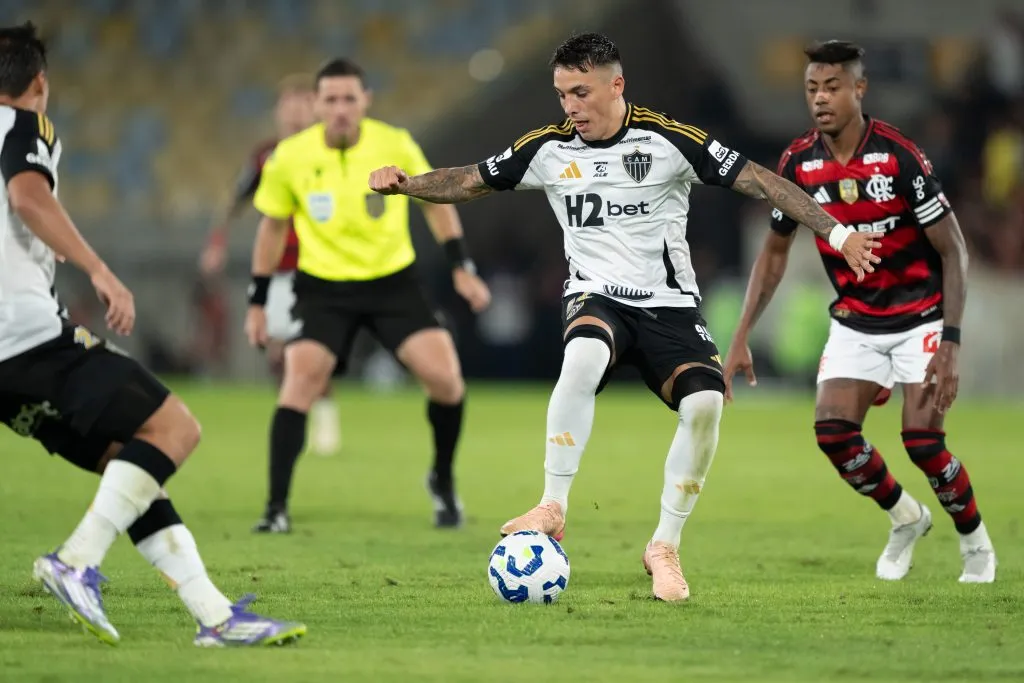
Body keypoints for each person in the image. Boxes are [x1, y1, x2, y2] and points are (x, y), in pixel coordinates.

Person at [369, 32, 881, 601]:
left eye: (581, 93)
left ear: (616, 84)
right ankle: (553, 505)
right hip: (597, 296)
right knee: (582, 355)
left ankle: (664, 545)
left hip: (670, 306)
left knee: (706, 405)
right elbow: (468, 179)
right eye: (562, 94)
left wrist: (837, 232)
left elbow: (761, 181)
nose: (570, 108)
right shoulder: (547, 148)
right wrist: (407, 185)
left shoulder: (668, 141)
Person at [0, 22, 305, 646]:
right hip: (25, 335)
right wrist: (99, 269)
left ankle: (215, 616)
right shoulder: (26, 125)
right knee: (174, 429)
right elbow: (28, 195)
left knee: (128, 462)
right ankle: (75, 560)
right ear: (40, 83)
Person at [722, 40, 996, 583]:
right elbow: (774, 252)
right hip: (855, 321)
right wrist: (741, 334)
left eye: (832, 87)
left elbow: (953, 250)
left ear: (859, 89)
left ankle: (976, 542)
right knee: (833, 434)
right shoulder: (799, 163)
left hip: (920, 316)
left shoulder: (899, 156)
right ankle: (905, 517)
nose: (820, 99)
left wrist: (952, 340)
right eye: (811, 89)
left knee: (921, 442)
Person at [247, 58, 491, 533]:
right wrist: (257, 301)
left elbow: (436, 202)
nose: (340, 108)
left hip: (391, 284)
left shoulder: (394, 143)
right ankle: (275, 508)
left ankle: (441, 480)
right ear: (316, 104)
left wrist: (462, 267)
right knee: (300, 382)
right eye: (331, 99)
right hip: (322, 289)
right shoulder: (289, 157)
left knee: (447, 380)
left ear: (365, 101)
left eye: (349, 99)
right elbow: (271, 229)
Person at [199, 75, 342, 456]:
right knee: (276, 347)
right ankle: (295, 410)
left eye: (302, 102)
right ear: (279, 110)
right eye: (288, 103)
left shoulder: (330, 150)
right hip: (277, 266)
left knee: (312, 345)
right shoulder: (266, 155)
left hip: (319, 265)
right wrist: (216, 244)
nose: (295, 111)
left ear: (315, 107)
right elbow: (235, 200)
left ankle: (325, 415)